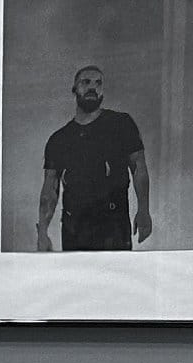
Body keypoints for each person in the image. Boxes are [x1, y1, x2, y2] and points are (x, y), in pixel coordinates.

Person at [37, 66, 152, 252]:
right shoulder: (59, 139)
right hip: (75, 227)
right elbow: (50, 189)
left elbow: (139, 167)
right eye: (86, 82)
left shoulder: (121, 124)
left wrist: (144, 210)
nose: (93, 87)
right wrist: (42, 231)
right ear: (74, 88)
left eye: (98, 83)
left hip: (113, 225)